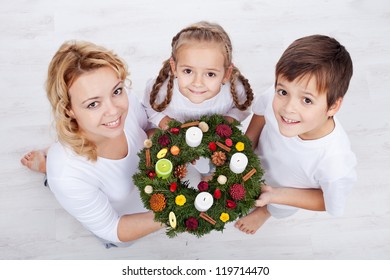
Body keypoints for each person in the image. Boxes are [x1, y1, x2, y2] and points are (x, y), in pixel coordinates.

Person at [20, 40, 163, 247]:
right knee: (60, 175)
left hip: (145, 189)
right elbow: (112, 228)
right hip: (111, 207)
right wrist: (171, 215)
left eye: (116, 91)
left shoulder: (127, 104)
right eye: (93, 104)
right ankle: (47, 168)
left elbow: (146, 129)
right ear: (69, 109)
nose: (114, 110)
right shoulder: (67, 173)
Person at [235, 35, 357, 234]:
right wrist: (245, 147)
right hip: (255, 163)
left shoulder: (335, 163)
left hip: (285, 192)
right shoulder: (276, 98)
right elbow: (262, 111)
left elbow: (327, 200)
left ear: (333, 106)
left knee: (278, 208)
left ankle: (266, 211)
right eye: (283, 92)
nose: (288, 109)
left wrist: (274, 195)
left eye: (307, 100)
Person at [142, 21, 254, 130]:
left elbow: (243, 108)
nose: (197, 83)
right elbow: (149, 107)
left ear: (226, 74)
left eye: (210, 74)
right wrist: (165, 122)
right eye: (188, 71)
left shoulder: (235, 89)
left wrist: (226, 122)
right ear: (174, 67)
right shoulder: (161, 89)